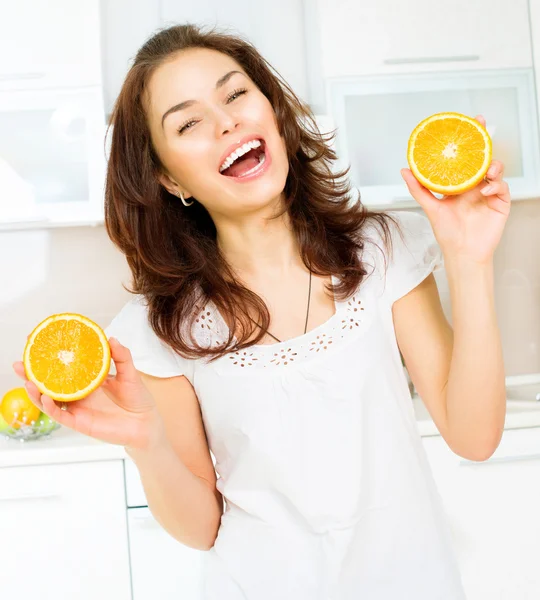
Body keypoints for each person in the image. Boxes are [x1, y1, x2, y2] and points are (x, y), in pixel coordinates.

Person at [14, 24, 511, 600]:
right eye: (188, 122)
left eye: (235, 94)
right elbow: (201, 529)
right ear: (169, 177)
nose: (226, 121)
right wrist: (146, 442)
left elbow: (475, 438)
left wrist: (470, 262)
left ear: (272, 112)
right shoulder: (159, 329)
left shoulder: (382, 251)